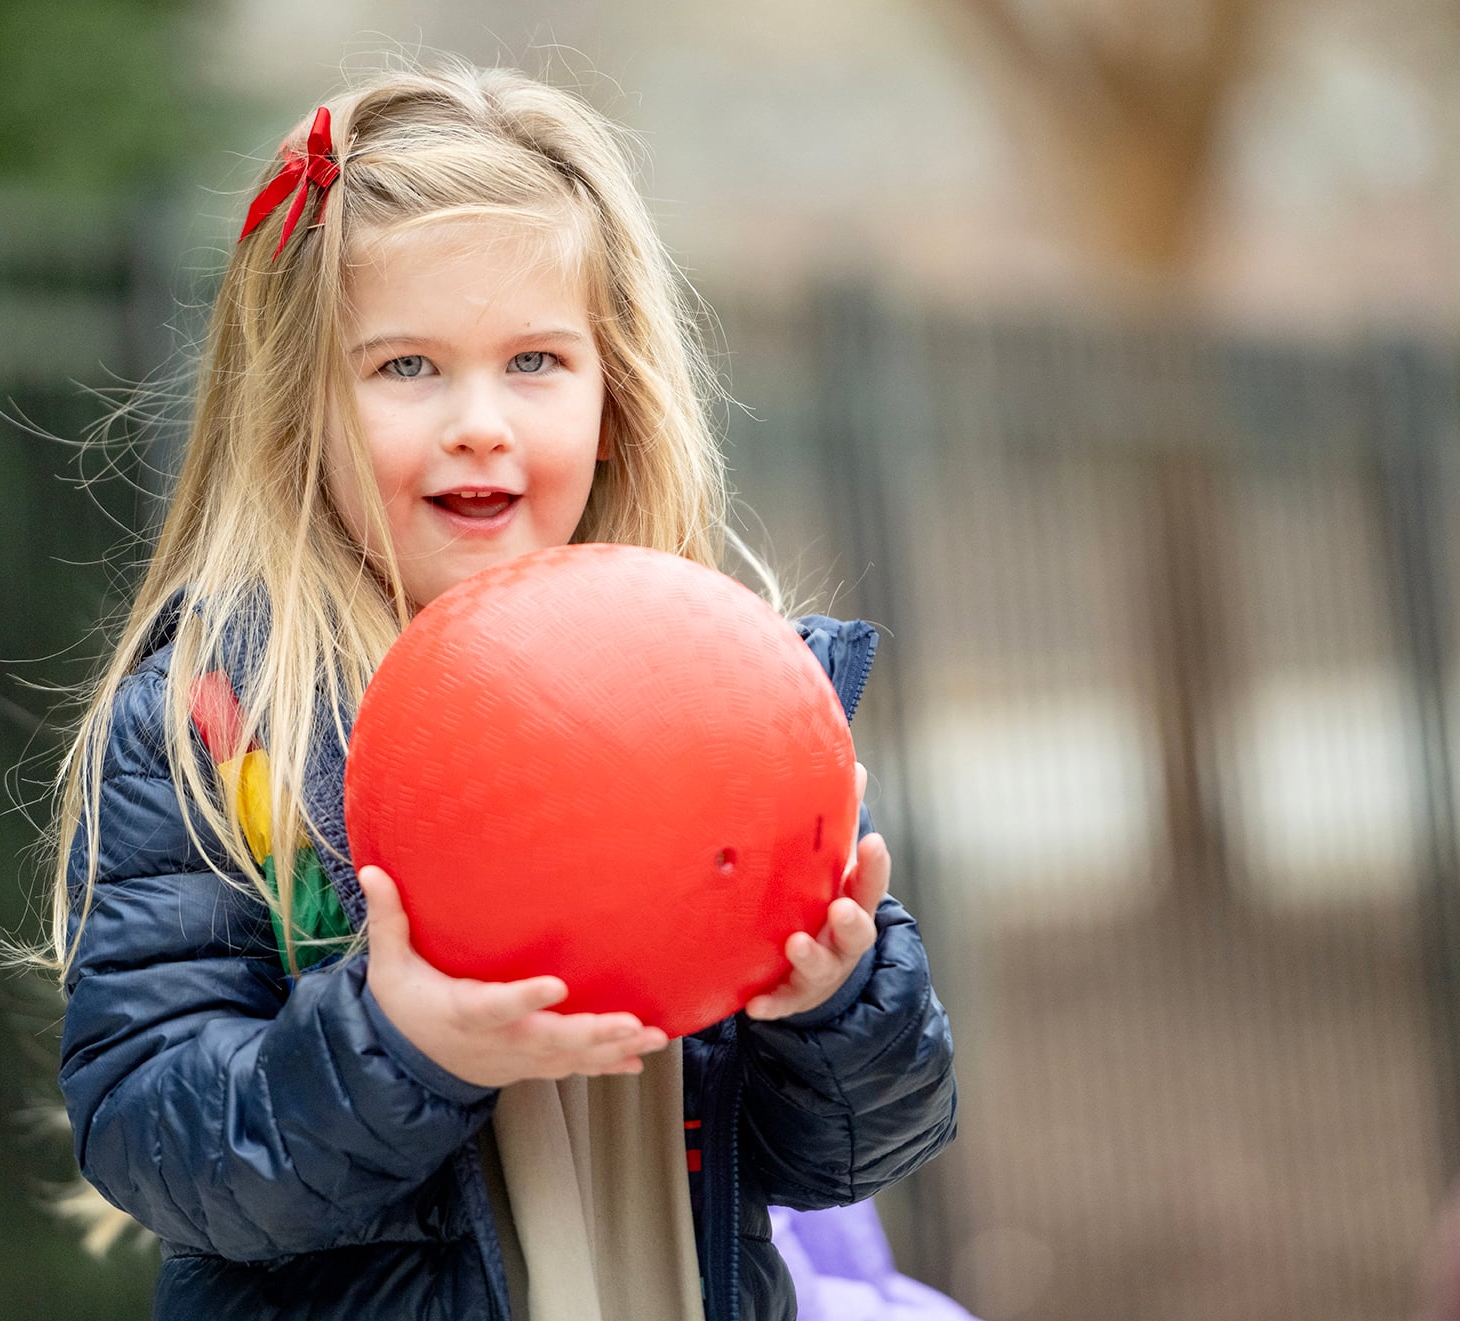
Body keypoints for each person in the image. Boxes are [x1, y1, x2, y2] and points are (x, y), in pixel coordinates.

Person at [47, 62, 957, 1321]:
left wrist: (834, 1005)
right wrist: (397, 1048)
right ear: (300, 408)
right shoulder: (221, 726)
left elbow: (852, 1151)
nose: (478, 421)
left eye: (534, 359)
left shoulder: (723, 703)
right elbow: (159, 1140)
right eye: (406, 366)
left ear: (613, 393)